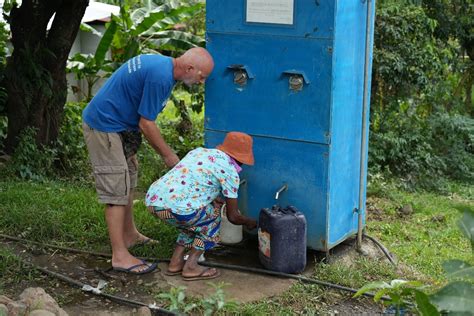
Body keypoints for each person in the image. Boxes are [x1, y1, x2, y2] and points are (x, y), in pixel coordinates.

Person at [82, 48, 214, 274]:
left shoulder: (163, 67)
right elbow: (147, 123)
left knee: (129, 179)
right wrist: (169, 156)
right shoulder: (160, 77)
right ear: (190, 68)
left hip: (120, 127)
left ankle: (129, 234)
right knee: (116, 189)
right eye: (202, 77)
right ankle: (120, 256)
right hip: (104, 126)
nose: (201, 82)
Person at [145, 132, 257, 281]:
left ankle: (175, 263)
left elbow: (191, 180)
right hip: (178, 208)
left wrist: (213, 197)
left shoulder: (199, 152)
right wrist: (249, 222)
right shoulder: (230, 172)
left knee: (192, 224)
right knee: (211, 220)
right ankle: (191, 267)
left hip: (154, 202)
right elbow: (233, 216)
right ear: (241, 159)